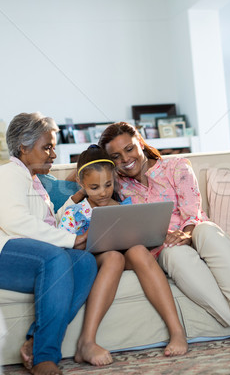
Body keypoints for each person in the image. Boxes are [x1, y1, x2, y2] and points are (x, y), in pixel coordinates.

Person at [98, 122, 230, 352]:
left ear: (140, 143)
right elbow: (80, 175)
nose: (125, 158)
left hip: (197, 231)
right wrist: (98, 155)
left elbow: (193, 211)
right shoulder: (117, 184)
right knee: (174, 255)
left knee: (208, 232)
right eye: (116, 156)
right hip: (166, 248)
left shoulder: (176, 166)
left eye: (129, 149)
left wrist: (186, 233)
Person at [0, 112, 97, 375]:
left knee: (85, 262)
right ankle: (44, 358)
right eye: (46, 147)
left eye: (53, 148)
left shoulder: (34, 183)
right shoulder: (8, 174)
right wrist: (71, 239)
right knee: (55, 257)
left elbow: (47, 225)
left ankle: (35, 340)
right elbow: (15, 222)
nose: (53, 155)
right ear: (23, 148)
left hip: (29, 254)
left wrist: (78, 199)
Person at [60, 145, 188, 366]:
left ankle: (177, 331)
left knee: (138, 251)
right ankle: (86, 341)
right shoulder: (74, 213)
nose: (102, 192)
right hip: (94, 258)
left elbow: (138, 236)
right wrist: (87, 238)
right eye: (94, 187)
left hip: (123, 252)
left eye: (108, 185)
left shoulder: (123, 206)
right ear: (81, 185)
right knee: (113, 257)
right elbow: (65, 248)